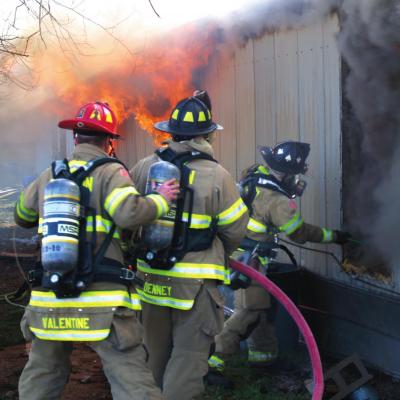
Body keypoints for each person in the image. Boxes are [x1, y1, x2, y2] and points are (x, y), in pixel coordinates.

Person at [15, 101, 179, 400]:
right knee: (131, 378)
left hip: (48, 298)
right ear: (108, 141)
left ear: (76, 138)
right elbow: (129, 214)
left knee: (42, 374)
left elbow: (22, 217)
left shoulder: (49, 174)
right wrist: (160, 199)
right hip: (101, 301)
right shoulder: (110, 171)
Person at [129, 93, 248, 400]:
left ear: (170, 131)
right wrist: (221, 256)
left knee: (152, 356)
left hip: (150, 281)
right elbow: (235, 230)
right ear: (207, 134)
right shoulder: (218, 176)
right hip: (194, 288)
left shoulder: (144, 167)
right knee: (188, 360)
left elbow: (127, 216)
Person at [209, 141, 352, 376]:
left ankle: (264, 357)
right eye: (296, 174)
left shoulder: (254, 174)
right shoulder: (278, 201)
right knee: (250, 309)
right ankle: (215, 359)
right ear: (287, 173)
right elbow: (298, 233)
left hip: (236, 250)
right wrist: (334, 237)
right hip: (249, 259)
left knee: (261, 307)